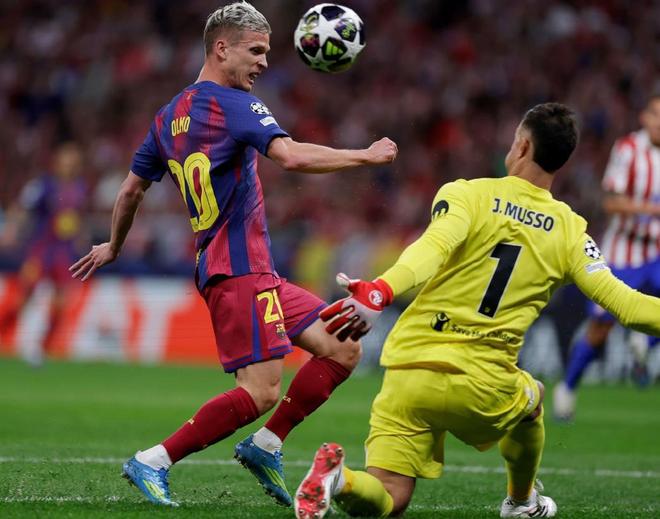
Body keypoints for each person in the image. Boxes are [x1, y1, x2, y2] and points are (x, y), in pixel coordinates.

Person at [69, 1, 397, 508]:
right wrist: (365, 155)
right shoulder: (236, 104)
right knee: (261, 390)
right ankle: (153, 460)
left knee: (342, 347)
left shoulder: (168, 116)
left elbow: (132, 189)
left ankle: (266, 445)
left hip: (250, 270)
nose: (264, 62)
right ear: (221, 48)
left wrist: (114, 245)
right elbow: (290, 156)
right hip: (237, 268)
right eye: (256, 51)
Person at [294, 103, 660, 519]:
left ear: (522, 146)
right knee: (533, 399)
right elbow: (627, 306)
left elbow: (434, 248)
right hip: (484, 383)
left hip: (411, 370)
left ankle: (341, 480)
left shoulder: (466, 193)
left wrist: (382, 288)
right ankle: (521, 502)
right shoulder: (571, 231)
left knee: (390, 494)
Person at [553, 93, 660, 420]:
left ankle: (645, 343)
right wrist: (652, 209)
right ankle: (567, 387)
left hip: (657, 252)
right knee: (600, 328)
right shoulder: (628, 149)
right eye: (656, 114)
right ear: (644, 117)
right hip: (623, 252)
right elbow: (610, 202)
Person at [0, 142, 87, 365]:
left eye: (73, 161)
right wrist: (11, 229)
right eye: (66, 160)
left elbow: (77, 217)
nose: (69, 165)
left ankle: (42, 349)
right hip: (41, 249)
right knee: (24, 298)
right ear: (57, 162)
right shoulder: (43, 185)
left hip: (64, 252)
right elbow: (23, 208)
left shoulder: (80, 187)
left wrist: (80, 239)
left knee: (61, 303)